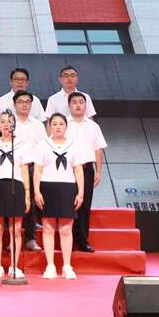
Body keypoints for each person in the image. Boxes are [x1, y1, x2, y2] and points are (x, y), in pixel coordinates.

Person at [32, 113, 85, 279]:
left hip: (67, 187)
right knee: (48, 228)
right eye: (54, 124)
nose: (57, 127)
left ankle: (67, 266)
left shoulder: (74, 145)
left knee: (66, 229)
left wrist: (80, 193)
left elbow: (78, 169)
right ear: (49, 127)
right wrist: (36, 191)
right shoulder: (42, 145)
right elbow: (37, 170)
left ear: (66, 126)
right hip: (47, 186)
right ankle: (50, 266)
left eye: (61, 124)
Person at [0, 111, 31, 279]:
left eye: (9, 121)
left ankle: (14, 266)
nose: (6, 124)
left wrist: (27, 195)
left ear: (14, 125)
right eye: (2, 121)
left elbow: (25, 171)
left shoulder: (21, 145)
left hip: (16, 186)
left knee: (15, 229)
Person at [66, 92, 107, 253]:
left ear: (86, 105)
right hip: (68, 170)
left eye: (81, 102)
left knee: (84, 205)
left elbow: (98, 149)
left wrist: (98, 171)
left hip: (87, 169)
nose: (78, 105)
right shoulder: (63, 124)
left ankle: (83, 240)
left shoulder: (93, 126)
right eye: (74, 102)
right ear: (69, 105)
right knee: (68, 205)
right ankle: (67, 240)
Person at [10, 90, 48, 252]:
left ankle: (30, 239)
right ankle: (12, 239)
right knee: (12, 202)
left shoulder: (37, 124)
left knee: (31, 202)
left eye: (27, 102)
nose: (24, 104)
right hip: (13, 167)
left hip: (32, 167)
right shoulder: (9, 122)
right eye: (21, 102)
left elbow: (44, 147)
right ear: (14, 104)